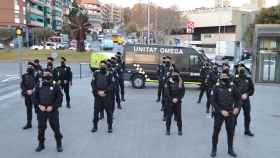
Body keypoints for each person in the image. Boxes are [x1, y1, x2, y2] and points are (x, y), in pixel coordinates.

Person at [210, 71, 241, 157]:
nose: (224, 77)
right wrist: (220, 111)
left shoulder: (232, 86)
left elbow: (238, 98)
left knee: (231, 131)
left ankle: (230, 149)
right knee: (216, 131)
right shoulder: (215, 87)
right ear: (220, 77)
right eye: (222, 75)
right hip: (219, 113)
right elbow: (212, 101)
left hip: (230, 113)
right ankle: (214, 149)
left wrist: (237, 108)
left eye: (225, 75)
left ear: (228, 76)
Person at [33, 70, 63, 152]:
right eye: (45, 74)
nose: (47, 75)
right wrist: (39, 105)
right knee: (41, 128)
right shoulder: (39, 85)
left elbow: (59, 98)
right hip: (41, 111)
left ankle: (59, 144)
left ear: (51, 75)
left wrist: (53, 107)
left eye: (48, 74)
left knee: (56, 128)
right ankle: (41, 144)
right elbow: (34, 97)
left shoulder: (55, 85)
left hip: (52, 111)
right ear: (43, 75)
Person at [91, 61, 114, 133]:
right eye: (101, 65)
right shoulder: (96, 73)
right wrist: (97, 92)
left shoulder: (110, 74)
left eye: (104, 65)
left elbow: (112, 84)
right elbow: (93, 83)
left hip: (107, 96)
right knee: (96, 112)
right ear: (99, 66)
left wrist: (105, 92)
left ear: (106, 66)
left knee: (109, 113)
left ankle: (110, 127)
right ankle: (95, 126)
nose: (102, 66)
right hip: (98, 96)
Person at [234, 65, 255, 137]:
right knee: (235, 115)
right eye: (240, 68)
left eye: (242, 68)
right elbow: (232, 90)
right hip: (238, 100)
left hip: (246, 100)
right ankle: (231, 129)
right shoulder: (235, 79)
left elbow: (252, 90)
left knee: (247, 115)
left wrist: (247, 94)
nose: (241, 69)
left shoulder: (248, 79)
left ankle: (247, 130)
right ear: (238, 70)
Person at [164, 68, 185, 136]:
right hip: (169, 102)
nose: (174, 75)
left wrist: (178, 99)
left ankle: (180, 130)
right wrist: (172, 99)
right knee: (169, 117)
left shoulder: (181, 81)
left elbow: (182, 92)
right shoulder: (168, 81)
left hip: (178, 103)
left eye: (176, 74)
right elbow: (166, 92)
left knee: (179, 117)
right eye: (173, 74)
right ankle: (168, 130)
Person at [20, 62, 36, 130]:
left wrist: (32, 90)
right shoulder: (24, 76)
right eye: (28, 66)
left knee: (38, 110)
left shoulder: (37, 75)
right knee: (28, 110)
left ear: (33, 68)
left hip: (35, 96)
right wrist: (26, 91)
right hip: (27, 95)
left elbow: (38, 84)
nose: (29, 67)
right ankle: (29, 124)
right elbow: (22, 85)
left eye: (30, 66)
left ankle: (41, 123)